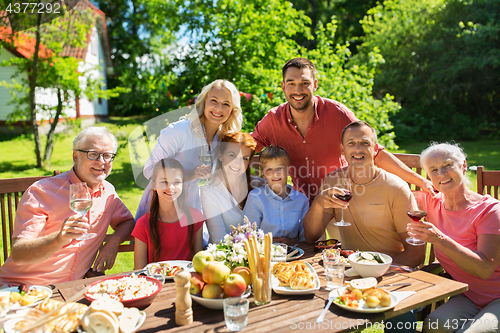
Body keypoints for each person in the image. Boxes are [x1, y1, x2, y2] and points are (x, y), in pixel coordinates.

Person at [251, 57, 434, 202]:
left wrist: (421, 181)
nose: (297, 90)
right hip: (303, 206)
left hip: (344, 200)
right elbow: (246, 146)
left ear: (314, 84)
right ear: (283, 86)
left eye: (304, 83)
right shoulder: (274, 120)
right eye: (291, 83)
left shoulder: (338, 114)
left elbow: (374, 152)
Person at [0, 127, 135, 286]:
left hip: (70, 290)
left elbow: (127, 222)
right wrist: (59, 238)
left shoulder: (108, 192)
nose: (101, 162)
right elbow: (19, 254)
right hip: (20, 288)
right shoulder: (43, 192)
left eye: (107, 156)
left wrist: (113, 241)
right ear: (75, 156)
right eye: (93, 154)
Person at [405, 143, 500, 333]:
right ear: (428, 177)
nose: (441, 173)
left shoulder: (490, 211)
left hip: (498, 297)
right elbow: (392, 190)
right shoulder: (430, 202)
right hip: (468, 295)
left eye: (447, 165)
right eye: (433, 170)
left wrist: (440, 240)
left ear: (463, 166)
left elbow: (484, 269)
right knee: (434, 325)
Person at [303, 121, 426, 268]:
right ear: (342, 150)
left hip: (390, 272)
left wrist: (376, 271)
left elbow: (416, 253)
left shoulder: (396, 188)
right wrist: (318, 203)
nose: (357, 149)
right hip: (351, 269)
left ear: (374, 149)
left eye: (364, 143)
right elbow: (311, 237)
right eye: (351, 143)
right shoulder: (333, 181)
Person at [136, 79, 243, 221]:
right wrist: (189, 175)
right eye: (214, 101)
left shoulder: (223, 141)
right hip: (159, 213)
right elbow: (149, 170)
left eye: (226, 104)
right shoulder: (178, 131)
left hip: (191, 211)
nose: (218, 108)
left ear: (232, 111)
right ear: (204, 102)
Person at [133, 158, 204, 269]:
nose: (170, 187)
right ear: (154, 185)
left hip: (187, 282)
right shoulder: (143, 224)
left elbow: (199, 264)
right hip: (156, 283)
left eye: (176, 182)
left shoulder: (195, 217)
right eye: (164, 182)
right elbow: (139, 270)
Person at [200, 132, 261, 244]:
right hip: (224, 256)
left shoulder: (260, 186)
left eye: (244, 158)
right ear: (220, 155)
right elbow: (219, 240)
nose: (238, 163)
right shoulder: (208, 191)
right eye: (232, 155)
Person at [243, 145, 308, 245]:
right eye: (269, 169)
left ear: (289, 170)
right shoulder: (256, 198)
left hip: (294, 253)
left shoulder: (301, 200)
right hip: (263, 255)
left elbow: (305, 239)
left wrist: (291, 242)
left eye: (280, 168)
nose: (275, 173)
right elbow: (249, 235)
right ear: (263, 174)